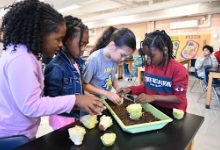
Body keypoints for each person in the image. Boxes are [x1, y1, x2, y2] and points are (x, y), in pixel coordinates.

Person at [0, 0, 105, 139]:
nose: (60, 44)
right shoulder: (22, 58)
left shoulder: (22, 53)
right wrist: (75, 99)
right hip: (14, 134)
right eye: (58, 39)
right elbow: (32, 106)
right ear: (40, 34)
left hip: (18, 130)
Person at [117, 30, 188, 112]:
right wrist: (130, 89)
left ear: (165, 50)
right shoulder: (149, 65)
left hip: (172, 111)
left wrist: (153, 97)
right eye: (147, 56)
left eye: (152, 56)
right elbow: (146, 86)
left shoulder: (178, 70)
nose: (149, 60)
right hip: (154, 109)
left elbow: (179, 98)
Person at [44, 15, 91, 130]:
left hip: (74, 115)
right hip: (62, 118)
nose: (84, 48)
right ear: (65, 41)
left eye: (86, 44)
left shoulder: (78, 62)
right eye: (81, 44)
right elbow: (51, 100)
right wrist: (79, 104)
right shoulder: (56, 66)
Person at [84, 26, 136, 104]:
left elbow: (110, 76)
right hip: (92, 100)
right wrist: (106, 93)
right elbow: (84, 85)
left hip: (104, 99)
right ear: (112, 46)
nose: (122, 59)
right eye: (122, 55)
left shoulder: (115, 58)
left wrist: (118, 89)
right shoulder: (94, 59)